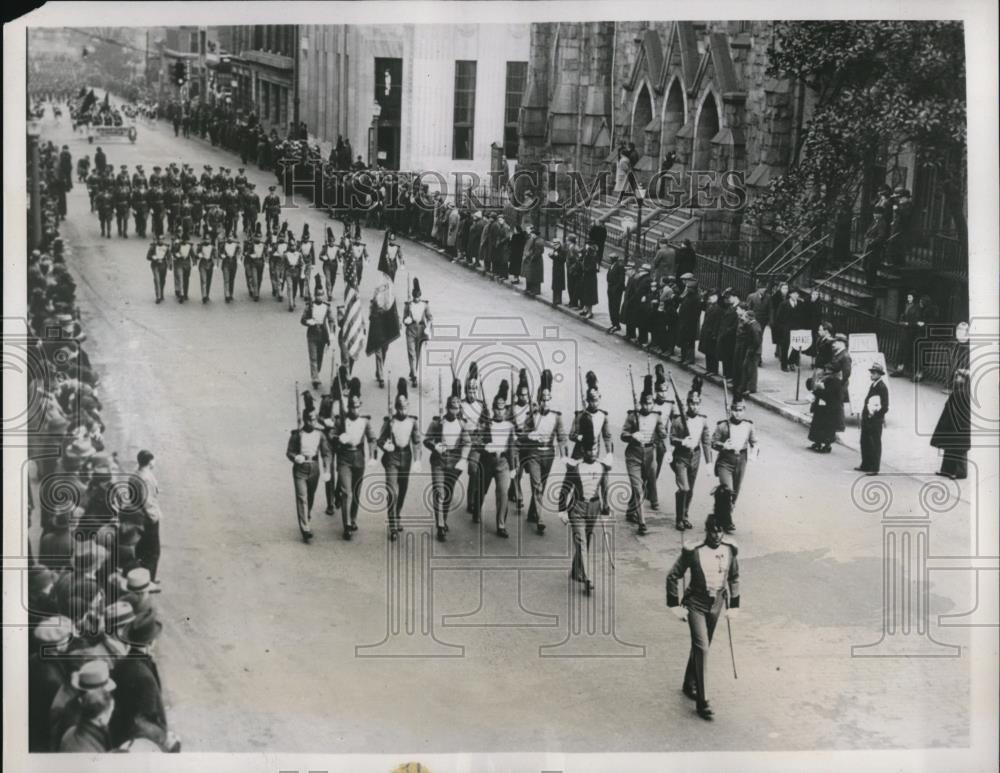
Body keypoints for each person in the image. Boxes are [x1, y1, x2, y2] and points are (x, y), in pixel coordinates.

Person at [666, 515, 741, 721]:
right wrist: (674, 605)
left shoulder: (730, 550)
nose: (716, 535)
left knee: (701, 645)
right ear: (706, 531)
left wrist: (734, 605)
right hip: (696, 604)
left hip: (716, 603)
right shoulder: (694, 552)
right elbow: (673, 575)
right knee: (702, 647)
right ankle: (703, 701)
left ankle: (688, 683)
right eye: (712, 531)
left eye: (720, 531)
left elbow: (734, 577)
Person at [563, 412, 611, 595]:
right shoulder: (575, 467)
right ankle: (588, 577)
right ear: (583, 450)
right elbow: (565, 488)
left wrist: (606, 507)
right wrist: (562, 510)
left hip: (594, 508)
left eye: (595, 449)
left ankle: (576, 570)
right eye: (589, 449)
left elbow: (605, 489)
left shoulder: (602, 467)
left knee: (586, 539)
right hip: (577, 508)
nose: (592, 452)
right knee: (582, 541)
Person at [424, 378, 470, 541]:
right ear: (447, 407)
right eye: (451, 407)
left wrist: (464, 458)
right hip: (438, 461)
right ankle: (440, 525)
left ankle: (444, 518)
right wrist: (435, 446)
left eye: (457, 408)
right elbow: (427, 440)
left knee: (448, 493)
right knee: (439, 492)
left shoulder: (462, 424)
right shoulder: (437, 423)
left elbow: (467, 442)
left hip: (454, 462)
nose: (454, 411)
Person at [621, 375, 667, 536]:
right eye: (645, 403)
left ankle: (630, 510)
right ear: (640, 403)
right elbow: (623, 434)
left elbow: (662, 434)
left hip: (649, 455)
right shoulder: (632, 415)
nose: (647, 406)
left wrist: (661, 435)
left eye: (650, 403)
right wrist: (632, 435)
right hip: (633, 455)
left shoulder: (657, 416)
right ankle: (642, 522)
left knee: (643, 485)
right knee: (638, 488)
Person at [378, 379, 422, 540]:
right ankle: (392, 525)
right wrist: (385, 446)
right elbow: (379, 440)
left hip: (406, 457)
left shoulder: (413, 422)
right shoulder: (389, 422)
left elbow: (417, 442)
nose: (403, 411)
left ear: (408, 407)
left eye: (405, 407)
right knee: (392, 490)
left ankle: (397, 515)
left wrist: (417, 460)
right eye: (400, 408)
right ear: (396, 407)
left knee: (402, 490)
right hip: (392, 457)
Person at [524, 369, 567, 535]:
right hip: (534, 453)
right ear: (538, 400)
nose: (546, 403)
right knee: (537, 485)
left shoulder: (556, 416)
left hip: (548, 454)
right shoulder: (532, 415)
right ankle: (540, 519)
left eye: (548, 400)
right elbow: (521, 434)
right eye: (543, 400)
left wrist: (564, 455)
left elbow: (562, 436)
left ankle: (531, 512)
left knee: (542, 483)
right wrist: (529, 435)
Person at [335, 377, 378, 540]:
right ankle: (346, 525)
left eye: (357, 406)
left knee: (356, 491)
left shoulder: (365, 421)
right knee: (346, 492)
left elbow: (372, 439)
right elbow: (332, 435)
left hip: (359, 458)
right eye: (352, 407)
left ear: (360, 405)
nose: (354, 410)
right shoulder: (341, 420)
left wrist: (373, 455)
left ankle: (353, 519)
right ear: (348, 407)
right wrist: (339, 438)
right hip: (344, 458)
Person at [286, 395, 332, 543]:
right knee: (302, 497)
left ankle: (307, 515)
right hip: (300, 469)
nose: (311, 422)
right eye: (308, 419)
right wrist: (295, 457)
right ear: (304, 420)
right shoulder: (297, 434)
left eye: (313, 419)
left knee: (310, 497)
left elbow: (326, 454)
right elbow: (289, 451)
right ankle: (305, 529)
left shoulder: (320, 435)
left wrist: (327, 470)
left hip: (314, 468)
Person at [670, 380, 712, 531]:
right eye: (692, 404)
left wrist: (709, 463)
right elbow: (672, 438)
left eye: (697, 403)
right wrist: (682, 442)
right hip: (681, 457)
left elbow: (706, 441)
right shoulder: (678, 419)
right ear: (687, 404)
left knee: (691, 489)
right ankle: (678, 519)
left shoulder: (702, 420)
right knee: (684, 488)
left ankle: (685, 515)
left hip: (695, 456)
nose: (695, 406)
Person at [711, 397, 758, 529]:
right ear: (730, 410)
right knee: (727, 491)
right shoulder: (723, 425)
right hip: (725, 461)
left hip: (741, 461)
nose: (737, 413)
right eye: (735, 410)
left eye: (740, 410)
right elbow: (713, 442)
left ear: (744, 410)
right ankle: (727, 520)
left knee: (735, 493)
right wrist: (723, 445)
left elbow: (754, 443)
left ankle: (725, 516)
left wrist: (754, 454)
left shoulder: (749, 425)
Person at [481, 380, 517, 538]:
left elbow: (512, 448)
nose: (500, 412)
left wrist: (514, 467)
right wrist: (484, 446)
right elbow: (476, 441)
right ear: (493, 409)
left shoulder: (510, 426)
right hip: (488, 462)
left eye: (503, 409)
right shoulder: (486, 425)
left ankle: (501, 525)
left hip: (503, 463)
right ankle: (477, 511)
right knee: (481, 490)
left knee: (503, 493)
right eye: (497, 408)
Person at [931, 364, 970, 480]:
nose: (955, 379)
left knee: (956, 448)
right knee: (950, 446)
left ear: (964, 379)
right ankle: (947, 470)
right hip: (955, 424)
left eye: (958, 377)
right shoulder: (961, 391)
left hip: (958, 425)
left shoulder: (962, 392)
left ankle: (957, 472)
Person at [134, 450, 162, 590]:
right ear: (150, 461)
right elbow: (147, 501)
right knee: (153, 551)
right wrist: (154, 517)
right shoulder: (145, 478)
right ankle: (148, 581)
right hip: (147, 517)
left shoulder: (136, 474)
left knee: (143, 549)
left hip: (138, 516)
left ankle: (143, 579)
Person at [302, 276, 336, 390]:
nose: (319, 297)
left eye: (321, 295)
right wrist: (308, 321)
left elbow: (331, 320)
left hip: (322, 334)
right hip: (312, 334)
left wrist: (331, 333)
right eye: (317, 295)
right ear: (315, 295)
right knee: (313, 357)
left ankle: (316, 372)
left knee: (320, 357)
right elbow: (302, 320)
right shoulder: (309, 306)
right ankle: (315, 378)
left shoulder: (327, 306)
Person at [857, 362, 890, 474]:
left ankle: (874, 468)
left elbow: (885, 407)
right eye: (871, 372)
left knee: (874, 443)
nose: (871, 374)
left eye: (874, 373)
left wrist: (875, 415)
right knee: (864, 441)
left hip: (874, 420)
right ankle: (865, 464)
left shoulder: (882, 387)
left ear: (879, 374)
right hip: (868, 418)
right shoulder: (874, 384)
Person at [402, 277, 432, 387]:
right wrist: (407, 320)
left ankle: (413, 369)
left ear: (421, 296)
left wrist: (428, 327)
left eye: (418, 297)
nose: (417, 299)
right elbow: (404, 319)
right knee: (411, 353)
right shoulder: (408, 305)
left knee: (418, 353)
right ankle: (414, 376)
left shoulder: (425, 305)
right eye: (415, 297)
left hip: (421, 330)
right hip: (411, 329)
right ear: (413, 296)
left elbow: (430, 318)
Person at [806, 370, 844, 454]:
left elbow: (829, 394)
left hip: (830, 409)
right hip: (821, 406)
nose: (827, 372)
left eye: (829, 371)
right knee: (818, 425)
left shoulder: (836, 381)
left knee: (827, 427)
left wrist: (819, 390)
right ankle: (817, 442)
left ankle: (827, 445)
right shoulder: (824, 378)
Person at [733, 306, 762, 395]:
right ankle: (745, 387)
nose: (743, 319)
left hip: (754, 351)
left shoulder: (754, 327)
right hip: (751, 350)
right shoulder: (752, 325)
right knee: (747, 368)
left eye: (745, 317)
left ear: (749, 318)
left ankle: (751, 388)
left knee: (752, 370)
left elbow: (757, 341)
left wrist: (751, 351)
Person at [676, 274, 701, 364]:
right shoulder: (688, 296)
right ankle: (683, 357)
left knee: (690, 341)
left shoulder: (696, 298)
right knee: (683, 340)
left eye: (690, 288)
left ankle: (690, 358)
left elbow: (696, 313)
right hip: (683, 321)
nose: (688, 289)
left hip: (690, 323)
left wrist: (691, 322)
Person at [243, 223, 266, 301]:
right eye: (256, 237)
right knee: (253, 278)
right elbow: (246, 253)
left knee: (259, 278)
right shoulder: (250, 244)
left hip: (261, 263)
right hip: (252, 262)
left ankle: (257, 290)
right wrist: (248, 254)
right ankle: (256, 294)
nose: (258, 238)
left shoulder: (263, 245)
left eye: (259, 237)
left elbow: (265, 254)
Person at [145, 233, 170, 304]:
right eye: (160, 239)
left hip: (163, 265)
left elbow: (169, 257)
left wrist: (169, 265)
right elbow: (148, 256)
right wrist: (154, 258)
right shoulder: (153, 247)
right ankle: (158, 296)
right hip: (155, 265)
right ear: (158, 240)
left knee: (162, 280)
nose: (161, 240)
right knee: (157, 280)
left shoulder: (166, 247)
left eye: (163, 239)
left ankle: (161, 293)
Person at [171, 229, 194, 303]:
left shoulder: (190, 246)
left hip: (187, 265)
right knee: (180, 278)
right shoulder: (177, 243)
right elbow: (173, 252)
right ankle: (181, 294)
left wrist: (195, 262)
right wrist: (177, 255)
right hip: (179, 264)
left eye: (186, 240)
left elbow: (192, 255)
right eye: (184, 240)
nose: (185, 241)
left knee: (186, 279)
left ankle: (185, 293)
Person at [606, 253, 626, 333]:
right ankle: (613, 323)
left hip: (616, 290)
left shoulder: (619, 266)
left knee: (615, 307)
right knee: (611, 306)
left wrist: (616, 288)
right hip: (610, 288)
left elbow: (621, 280)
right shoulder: (612, 265)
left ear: (615, 258)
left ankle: (617, 324)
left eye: (611, 258)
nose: (610, 259)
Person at [194, 232, 217, 304]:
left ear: (210, 240)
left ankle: (207, 295)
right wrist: (199, 255)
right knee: (203, 280)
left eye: (208, 239)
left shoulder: (213, 247)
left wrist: (214, 260)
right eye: (206, 239)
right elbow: (196, 255)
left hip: (210, 264)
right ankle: (204, 296)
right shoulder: (200, 246)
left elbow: (215, 256)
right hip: (202, 264)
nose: (207, 241)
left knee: (209, 280)